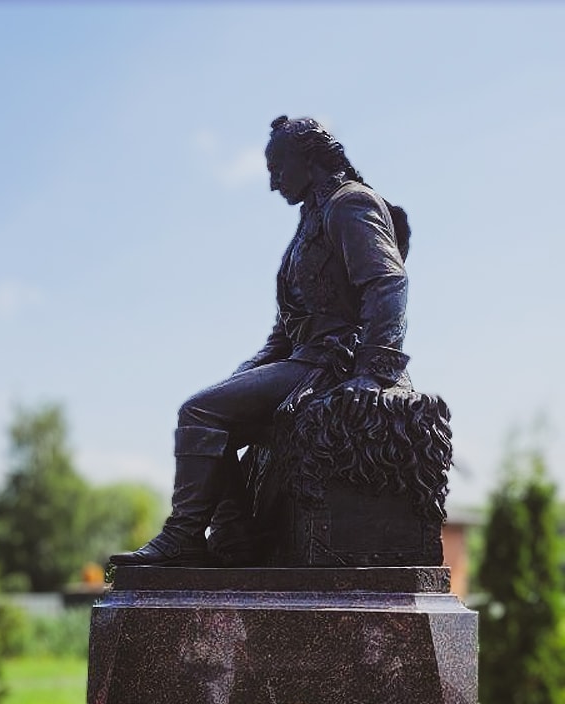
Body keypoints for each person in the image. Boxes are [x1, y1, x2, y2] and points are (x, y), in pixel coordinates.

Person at [112, 115, 412, 567]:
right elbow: (285, 330)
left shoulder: (351, 203)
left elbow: (387, 282)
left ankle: (186, 536)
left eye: (278, 168)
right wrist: (243, 377)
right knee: (214, 407)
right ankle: (235, 539)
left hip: (332, 367)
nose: (273, 183)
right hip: (305, 359)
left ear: (308, 161)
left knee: (198, 410)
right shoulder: (312, 218)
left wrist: (374, 373)